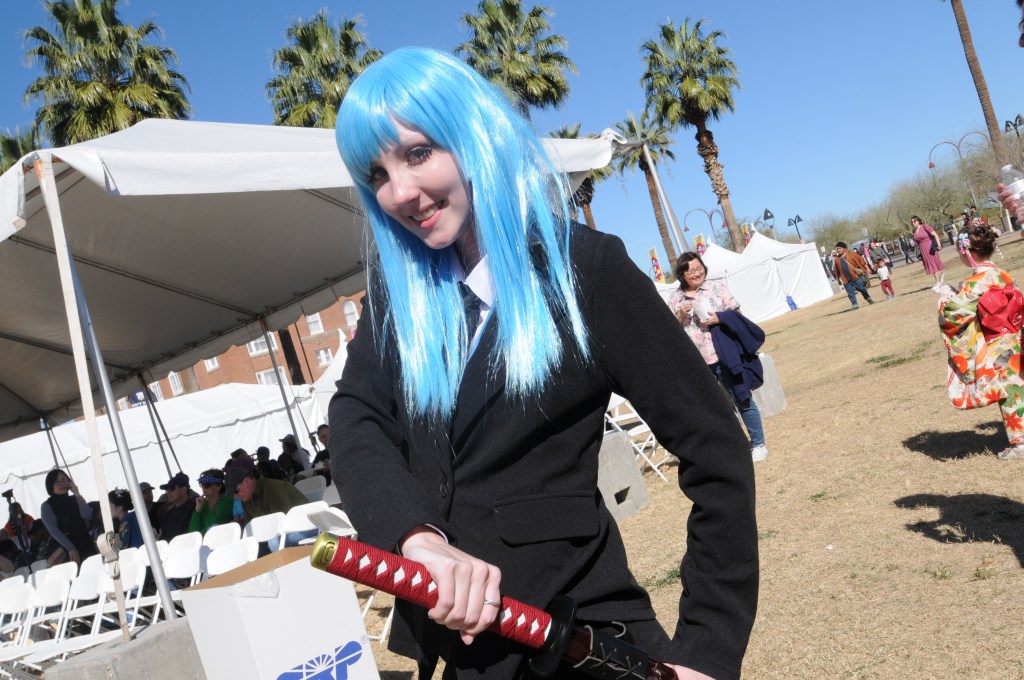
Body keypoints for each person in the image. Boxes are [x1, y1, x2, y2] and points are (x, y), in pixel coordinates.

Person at [328, 47, 757, 680]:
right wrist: (416, 537)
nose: (400, 193)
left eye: (418, 153)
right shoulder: (400, 299)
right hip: (461, 658)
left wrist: (707, 651)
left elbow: (715, 447)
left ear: (474, 136)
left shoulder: (587, 270)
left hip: (580, 643)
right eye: (377, 174)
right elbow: (356, 417)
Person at [670, 252, 769, 463]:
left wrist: (719, 319)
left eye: (699, 268)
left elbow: (738, 315)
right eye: (691, 271)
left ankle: (758, 444)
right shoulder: (675, 298)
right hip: (696, 361)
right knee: (711, 408)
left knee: (742, 398)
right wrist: (680, 315)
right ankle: (730, 446)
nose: (697, 273)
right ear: (681, 274)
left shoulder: (717, 287)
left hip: (724, 355)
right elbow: (670, 330)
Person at [937, 225, 1024, 460]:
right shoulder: (1003, 275)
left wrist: (945, 297)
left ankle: (1020, 444)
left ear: (967, 252)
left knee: (1009, 391)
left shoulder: (974, 283)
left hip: (997, 343)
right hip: (1016, 336)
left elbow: (953, 317)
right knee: (1018, 385)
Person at [223, 467, 314, 551]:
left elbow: (284, 522)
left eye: (236, 491)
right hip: (284, 531)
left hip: (308, 525)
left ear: (247, 481)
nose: (235, 497)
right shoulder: (246, 499)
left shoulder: (273, 489)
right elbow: (250, 529)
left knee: (274, 541)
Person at [39, 469, 97, 565]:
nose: (61, 483)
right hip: (66, 549)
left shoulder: (75, 498)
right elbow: (53, 530)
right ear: (50, 485)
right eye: (57, 481)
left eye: (64, 479)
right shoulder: (47, 506)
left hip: (86, 543)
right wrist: (70, 548)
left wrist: (77, 494)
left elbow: (87, 516)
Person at [188, 469, 234, 535]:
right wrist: (198, 510)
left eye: (207, 485)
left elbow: (213, 527)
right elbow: (193, 531)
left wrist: (197, 536)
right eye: (202, 484)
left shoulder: (227, 501)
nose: (204, 488)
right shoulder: (203, 505)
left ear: (219, 486)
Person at [832, 242, 874, 310]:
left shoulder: (852, 254)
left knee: (862, 288)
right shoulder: (837, 258)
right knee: (850, 292)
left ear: (844, 249)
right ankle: (855, 304)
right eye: (837, 249)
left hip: (855, 276)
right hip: (845, 278)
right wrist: (838, 279)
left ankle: (868, 298)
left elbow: (861, 260)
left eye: (839, 248)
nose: (838, 250)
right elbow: (836, 270)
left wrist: (867, 268)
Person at [158, 472, 195, 541]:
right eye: (167, 490)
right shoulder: (167, 515)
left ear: (184, 490)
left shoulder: (195, 507)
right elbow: (162, 539)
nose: (168, 493)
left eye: (172, 489)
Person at [911, 216, 945, 286]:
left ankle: (938, 282)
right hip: (923, 250)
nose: (913, 223)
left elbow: (935, 235)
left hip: (930, 247)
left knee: (933, 264)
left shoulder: (925, 226)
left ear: (918, 221)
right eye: (912, 222)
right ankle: (940, 275)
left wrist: (939, 245)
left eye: (914, 221)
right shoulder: (914, 231)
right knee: (930, 264)